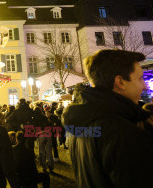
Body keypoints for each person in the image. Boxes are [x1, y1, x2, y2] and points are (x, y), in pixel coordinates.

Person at [63, 50, 153, 187]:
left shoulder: (81, 122)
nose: (145, 86)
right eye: (140, 78)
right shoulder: (122, 133)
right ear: (120, 82)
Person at [32, 107, 54, 173]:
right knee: (49, 151)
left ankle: (44, 167)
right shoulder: (44, 117)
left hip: (40, 134)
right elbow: (50, 125)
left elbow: (34, 128)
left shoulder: (34, 118)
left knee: (41, 151)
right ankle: (50, 167)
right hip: (48, 134)